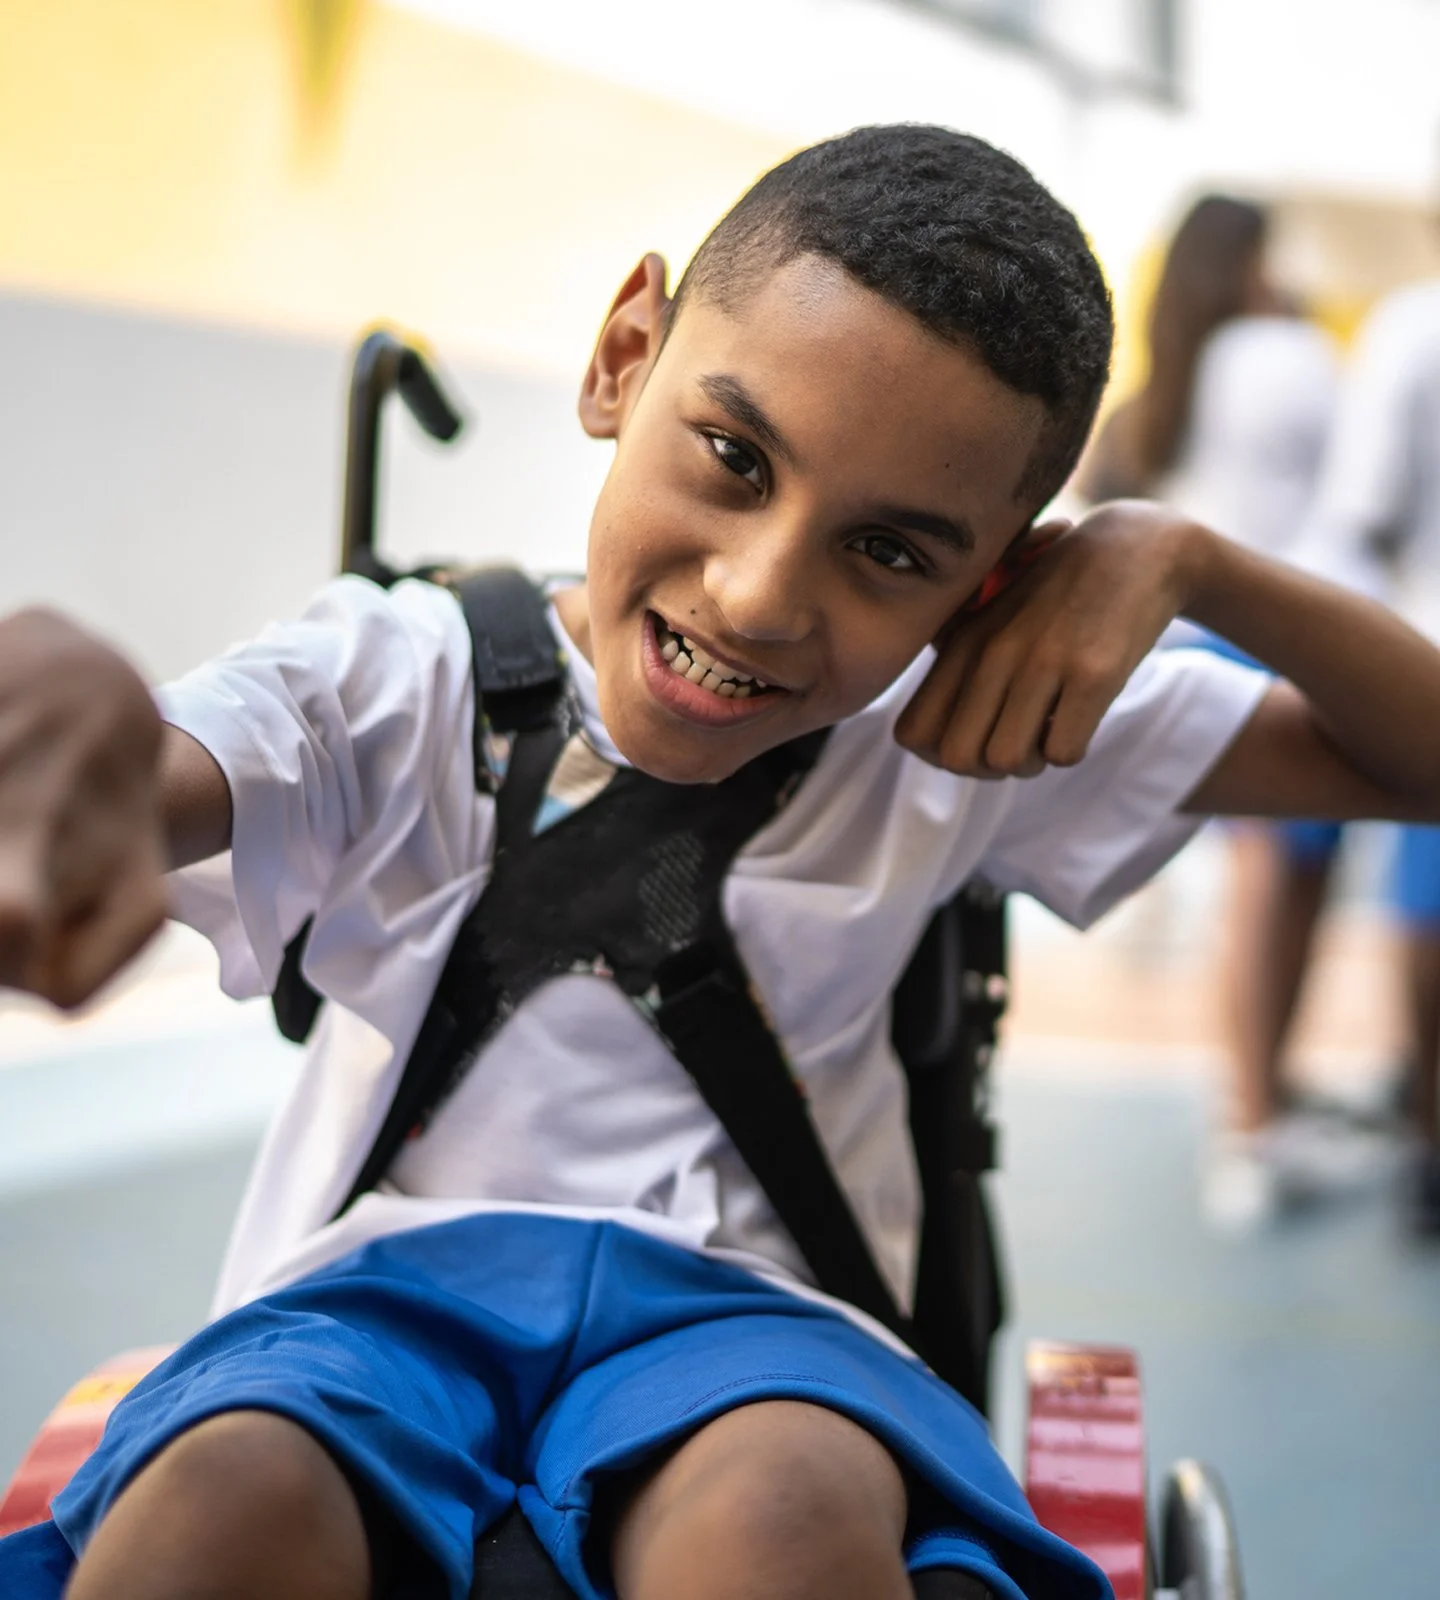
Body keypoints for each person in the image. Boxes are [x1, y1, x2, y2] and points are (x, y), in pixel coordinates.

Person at [4, 125, 1440, 1600]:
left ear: (992, 587)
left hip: (757, 1332)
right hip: (370, 1307)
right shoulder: (390, 682)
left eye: (889, 553)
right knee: (222, 1496)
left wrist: (1191, 564)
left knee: (784, 1512)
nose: (758, 598)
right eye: (736, 459)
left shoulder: (960, 735)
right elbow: (145, 769)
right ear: (627, 354)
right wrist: (66, 730)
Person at [1079, 195, 1353, 1230]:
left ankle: (1257, 1102)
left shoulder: (1159, 389)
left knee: (1265, 883)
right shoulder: (1287, 356)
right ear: (1248, 264)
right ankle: (1251, 1116)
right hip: (1277, 635)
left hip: (1183, 639)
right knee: (1278, 882)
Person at [1293, 228, 1440, 1234]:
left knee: (1426, 923)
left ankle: (1431, 1131)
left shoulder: (1410, 329)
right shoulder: (1410, 330)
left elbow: (1362, 511)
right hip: (1417, 662)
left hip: (1421, 649)